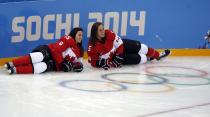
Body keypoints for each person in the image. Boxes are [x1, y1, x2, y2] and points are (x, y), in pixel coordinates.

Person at [87, 22, 171, 70]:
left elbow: (119, 44)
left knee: (143, 48)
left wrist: (119, 55)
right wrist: (102, 63)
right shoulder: (92, 46)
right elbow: (93, 62)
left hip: (122, 47)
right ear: (95, 32)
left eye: (103, 29)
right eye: (100, 30)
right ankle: (149, 58)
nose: (103, 31)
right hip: (115, 59)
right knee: (142, 59)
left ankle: (157, 55)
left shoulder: (108, 33)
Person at [5, 27, 84, 74]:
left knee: (42, 67)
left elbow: (78, 63)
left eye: (82, 35)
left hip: (56, 64)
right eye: (79, 35)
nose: (81, 37)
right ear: (74, 34)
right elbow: (56, 50)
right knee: (38, 56)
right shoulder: (68, 39)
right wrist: (62, 62)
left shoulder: (80, 50)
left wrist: (76, 66)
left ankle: (15, 70)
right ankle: (12, 63)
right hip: (50, 51)